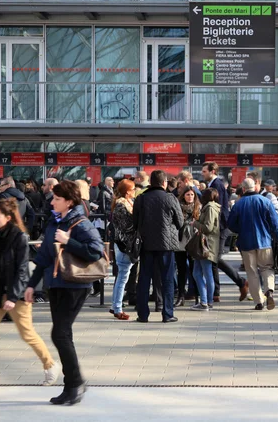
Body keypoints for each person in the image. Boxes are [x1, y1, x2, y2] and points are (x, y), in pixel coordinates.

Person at [0, 199, 59, 395]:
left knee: (27, 333)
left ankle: (50, 364)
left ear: (8, 218)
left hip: (17, 293)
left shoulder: (19, 237)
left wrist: (13, 296)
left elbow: (22, 269)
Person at [25, 180, 104, 405]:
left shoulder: (80, 223)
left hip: (75, 285)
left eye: (57, 199)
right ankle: (73, 384)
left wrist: (69, 242)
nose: (52, 201)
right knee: (61, 333)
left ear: (69, 202)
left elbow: (95, 250)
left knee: (60, 333)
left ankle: (75, 383)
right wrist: (31, 284)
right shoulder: (54, 221)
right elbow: (43, 258)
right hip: (57, 284)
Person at [133, 170, 183, 323]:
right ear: (164, 183)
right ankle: (167, 314)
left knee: (144, 279)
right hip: (166, 245)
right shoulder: (170, 198)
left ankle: (142, 314)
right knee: (167, 279)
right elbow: (180, 222)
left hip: (146, 244)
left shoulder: (141, 198)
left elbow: (135, 222)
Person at [228, 178, 278, 311]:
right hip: (265, 241)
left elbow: (231, 224)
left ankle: (259, 301)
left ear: (243, 189)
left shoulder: (238, 204)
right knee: (267, 268)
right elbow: (275, 223)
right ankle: (269, 291)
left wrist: (240, 230)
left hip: (246, 242)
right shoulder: (265, 201)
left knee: (251, 271)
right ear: (256, 188)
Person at [201, 162, 248, 302]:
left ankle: (240, 281)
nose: (202, 173)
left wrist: (215, 227)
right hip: (218, 227)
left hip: (220, 227)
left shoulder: (217, 185)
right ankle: (216, 292)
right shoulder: (214, 184)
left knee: (215, 258)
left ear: (212, 171)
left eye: (204, 171)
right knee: (213, 259)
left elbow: (218, 208)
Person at [188, 188, 220, 311]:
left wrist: (195, 223)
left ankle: (206, 302)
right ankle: (205, 301)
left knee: (207, 273)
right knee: (197, 272)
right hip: (204, 245)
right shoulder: (210, 207)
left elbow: (208, 227)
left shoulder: (210, 208)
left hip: (206, 245)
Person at [110, 179, 137, 320]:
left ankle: (115, 305)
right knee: (122, 277)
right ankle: (117, 308)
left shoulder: (126, 203)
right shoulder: (121, 206)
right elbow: (127, 227)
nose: (135, 191)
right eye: (133, 189)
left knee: (122, 276)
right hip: (124, 245)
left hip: (125, 244)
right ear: (127, 192)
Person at [176, 186, 201, 306]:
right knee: (181, 270)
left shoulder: (198, 207)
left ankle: (198, 296)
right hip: (180, 241)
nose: (190, 197)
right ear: (183, 196)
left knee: (194, 270)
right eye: (188, 194)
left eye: (192, 195)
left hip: (193, 241)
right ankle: (180, 296)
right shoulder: (178, 207)